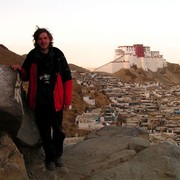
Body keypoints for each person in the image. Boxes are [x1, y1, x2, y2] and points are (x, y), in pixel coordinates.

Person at [11, 27, 72, 171]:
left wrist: (67, 100)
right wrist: (19, 69)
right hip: (39, 101)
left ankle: (58, 155)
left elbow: (67, 78)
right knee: (44, 132)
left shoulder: (58, 54)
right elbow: (25, 76)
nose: (43, 41)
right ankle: (50, 158)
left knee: (58, 131)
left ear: (50, 39)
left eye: (45, 38)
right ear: (36, 41)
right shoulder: (33, 55)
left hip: (55, 101)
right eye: (40, 39)